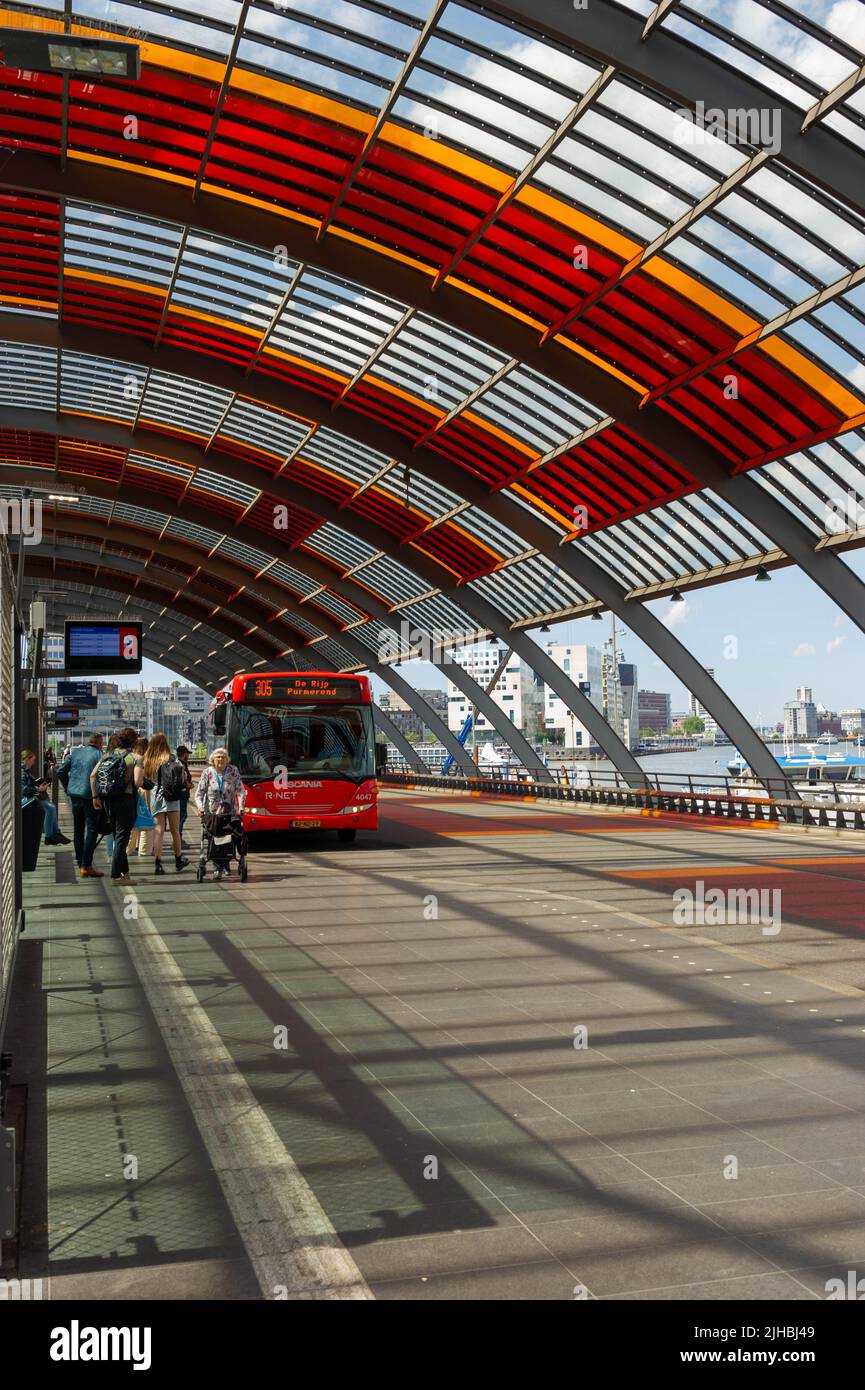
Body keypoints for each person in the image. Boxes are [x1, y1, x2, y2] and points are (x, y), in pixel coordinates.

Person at [91, 729, 143, 886]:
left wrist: (95, 797)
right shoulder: (136, 758)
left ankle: (124, 873)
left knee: (118, 835)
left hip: (107, 799)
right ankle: (115, 875)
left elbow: (93, 776)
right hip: (125, 800)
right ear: (133, 742)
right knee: (122, 838)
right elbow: (138, 782)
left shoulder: (107, 756)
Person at [57, 733, 104, 877]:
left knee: (78, 829)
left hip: (75, 795)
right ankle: (86, 865)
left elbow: (61, 771)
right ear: (99, 743)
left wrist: (67, 787)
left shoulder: (75, 753)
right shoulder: (99, 755)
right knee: (92, 830)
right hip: (90, 796)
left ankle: (79, 861)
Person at [142, 733, 189, 875]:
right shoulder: (171, 758)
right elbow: (182, 776)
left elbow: (145, 779)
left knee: (159, 831)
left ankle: (158, 863)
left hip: (156, 797)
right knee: (175, 831)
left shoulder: (148, 760)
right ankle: (178, 859)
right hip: (172, 797)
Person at [195, 749, 246, 878]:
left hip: (230, 812)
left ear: (227, 759)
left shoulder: (233, 771)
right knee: (214, 837)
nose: (220, 759)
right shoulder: (207, 772)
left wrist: (242, 807)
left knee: (230, 837)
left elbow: (240, 790)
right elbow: (199, 793)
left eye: (223, 757)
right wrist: (200, 808)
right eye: (218, 757)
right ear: (213, 759)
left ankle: (226, 864)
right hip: (213, 813)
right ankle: (218, 866)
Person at [21, 750, 70, 845]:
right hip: (25, 800)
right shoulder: (22, 771)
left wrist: (37, 786)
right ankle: (49, 836)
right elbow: (23, 789)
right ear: (27, 759)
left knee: (50, 806)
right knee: (50, 808)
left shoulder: (24, 770)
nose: (34, 763)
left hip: (27, 798)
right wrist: (38, 788)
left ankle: (56, 833)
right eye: (33, 760)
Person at [128, 737, 153, 859]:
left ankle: (128, 849)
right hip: (144, 791)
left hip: (131, 792)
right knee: (145, 820)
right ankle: (144, 850)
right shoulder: (145, 759)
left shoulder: (129, 757)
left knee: (132, 820)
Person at [176, 746, 194, 850]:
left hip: (182, 795)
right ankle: (178, 839)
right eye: (187, 754)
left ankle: (178, 838)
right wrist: (189, 785)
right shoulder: (180, 765)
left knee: (182, 816)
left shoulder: (181, 764)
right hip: (181, 795)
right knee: (181, 817)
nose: (188, 756)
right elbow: (182, 780)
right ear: (183, 754)